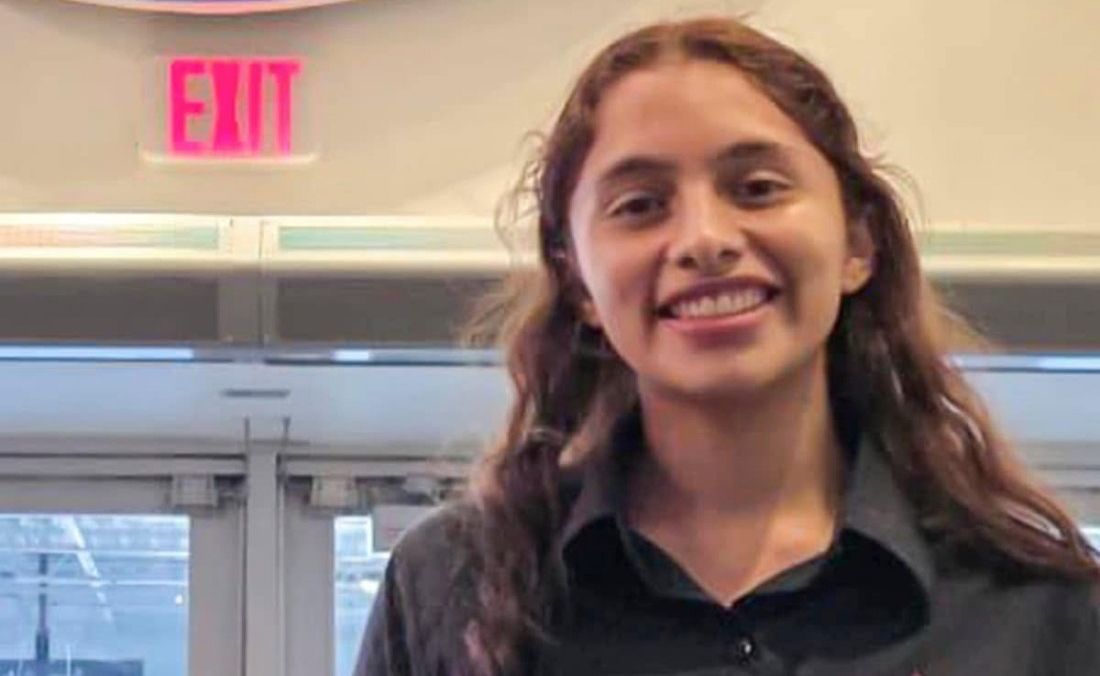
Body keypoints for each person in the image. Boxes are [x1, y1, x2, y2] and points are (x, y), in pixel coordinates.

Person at [354, 16, 1100, 676]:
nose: (705, 240)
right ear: (577, 279)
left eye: (758, 188)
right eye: (640, 205)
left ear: (857, 243)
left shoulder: (1041, 609)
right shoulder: (451, 590)